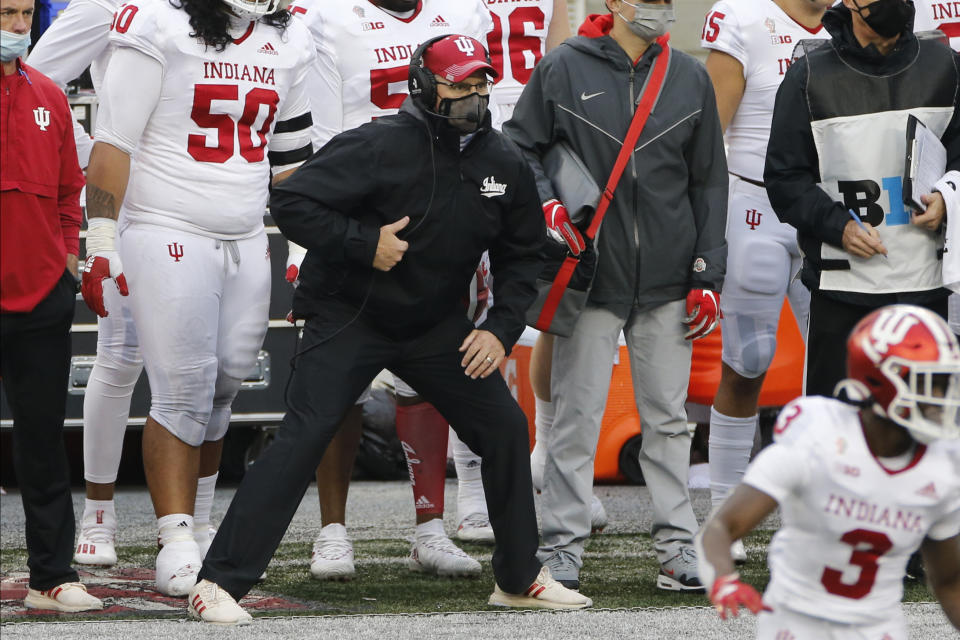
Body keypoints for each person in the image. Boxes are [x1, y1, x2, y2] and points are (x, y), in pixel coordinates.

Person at [188, 34, 592, 625]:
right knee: (305, 437)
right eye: (459, 84)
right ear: (424, 87)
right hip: (351, 313)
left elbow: (523, 253)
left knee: (504, 426)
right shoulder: (376, 145)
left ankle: (518, 576)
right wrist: (362, 243)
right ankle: (217, 583)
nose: (473, 96)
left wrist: (500, 329)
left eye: (480, 83)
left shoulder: (501, 159)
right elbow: (292, 199)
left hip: (433, 325)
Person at [80, 0, 315, 595]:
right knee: (182, 384)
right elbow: (113, 141)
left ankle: (202, 522)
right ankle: (176, 536)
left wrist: (313, 243)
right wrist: (101, 241)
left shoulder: (288, 40)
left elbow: (290, 159)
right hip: (164, 223)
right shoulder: (159, 25)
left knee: (227, 380)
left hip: (244, 231)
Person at [504, 1, 728, 592]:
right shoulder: (562, 67)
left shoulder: (689, 74)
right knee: (576, 419)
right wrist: (546, 203)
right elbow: (520, 146)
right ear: (613, 4)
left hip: (669, 276)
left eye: (665, 0)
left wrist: (707, 272)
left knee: (669, 420)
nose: (659, 9)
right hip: (590, 274)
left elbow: (708, 180)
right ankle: (561, 549)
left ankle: (678, 548)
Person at [284, 0, 495, 580]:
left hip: (434, 214)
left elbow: (477, 122)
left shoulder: (461, 13)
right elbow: (316, 131)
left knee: (423, 374)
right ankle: (332, 530)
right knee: (338, 384)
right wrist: (316, 238)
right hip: (355, 212)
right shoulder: (324, 17)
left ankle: (429, 526)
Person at [697, 304, 960, 638]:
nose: (941, 398)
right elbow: (721, 526)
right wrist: (723, 580)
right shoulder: (819, 436)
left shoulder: (942, 466)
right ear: (879, 380)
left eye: (945, 383)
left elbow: (951, 582)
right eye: (929, 383)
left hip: (877, 629)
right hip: (796, 624)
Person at [764, 0, 960, 397]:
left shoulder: (948, 66)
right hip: (843, 290)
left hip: (926, 287)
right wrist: (838, 225)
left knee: (922, 430)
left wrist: (948, 195)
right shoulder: (808, 74)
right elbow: (784, 178)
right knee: (837, 428)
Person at [699, 0, 831, 564]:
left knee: (834, 364)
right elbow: (710, 136)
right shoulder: (744, 15)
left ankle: (831, 509)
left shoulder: (855, 17)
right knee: (747, 359)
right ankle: (725, 512)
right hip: (754, 199)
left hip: (833, 207)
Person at [485, 0, 610, 535]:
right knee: (471, 306)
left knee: (553, 304)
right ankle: (473, 488)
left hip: (539, 142)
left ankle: (546, 451)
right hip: (476, 133)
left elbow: (560, 55)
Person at [0, 0, 102, 613]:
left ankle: (52, 578)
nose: (16, 28)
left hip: (41, 296)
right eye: (5, 14)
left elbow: (70, 191)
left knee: (42, 442)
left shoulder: (50, 96)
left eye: (22, 16)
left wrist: (68, 258)